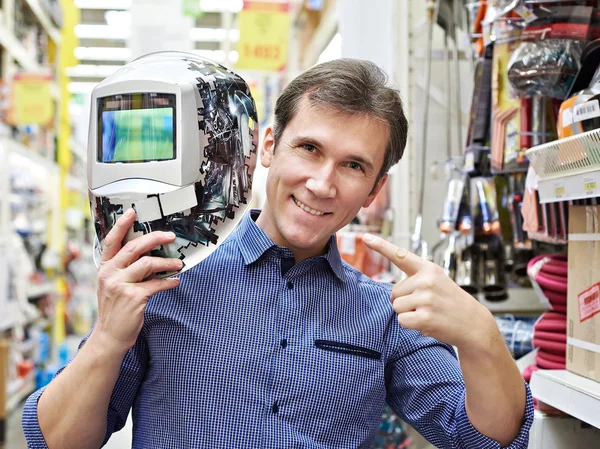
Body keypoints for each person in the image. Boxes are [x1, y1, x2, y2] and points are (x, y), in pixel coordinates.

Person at [23, 58, 533, 449]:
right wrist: (109, 338)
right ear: (268, 147)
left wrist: (481, 336)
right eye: (309, 148)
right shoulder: (166, 277)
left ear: (375, 190)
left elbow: (486, 438)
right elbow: (57, 439)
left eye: (353, 165)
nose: (322, 183)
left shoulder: (385, 315)